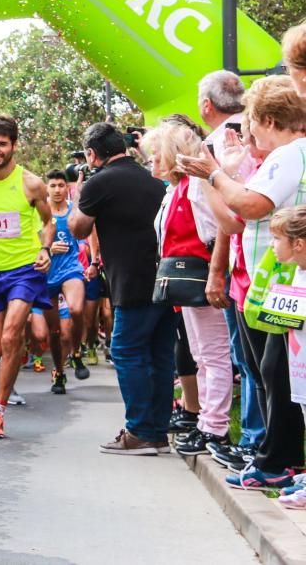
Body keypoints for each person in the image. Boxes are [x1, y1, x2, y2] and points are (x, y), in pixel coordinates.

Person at [176, 75, 306, 489]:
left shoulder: (289, 155)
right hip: (271, 281)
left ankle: (278, 460)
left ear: (267, 118)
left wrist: (214, 174)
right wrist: (218, 176)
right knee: (270, 370)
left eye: (250, 120)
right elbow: (233, 217)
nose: (246, 129)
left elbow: (248, 206)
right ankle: (277, 458)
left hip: (283, 281)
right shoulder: (285, 156)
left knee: (279, 373)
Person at [69, 122, 175, 455]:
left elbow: (78, 227)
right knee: (160, 357)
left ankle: (139, 431)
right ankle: (158, 431)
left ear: (91, 154)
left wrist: (80, 193)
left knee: (128, 352)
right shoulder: (152, 178)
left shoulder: (100, 181)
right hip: (166, 279)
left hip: (131, 280)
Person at [141, 121, 232, 455]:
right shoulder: (177, 189)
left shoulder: (195, 187)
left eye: (156, 154)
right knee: (202, 355)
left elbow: (219, 228)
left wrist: (215, 273)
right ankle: (208, 421)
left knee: (213, 354)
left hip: (202, 279)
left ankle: (215, 427)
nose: (151, 161)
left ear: (172, 155)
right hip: (187, 283)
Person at [0, 114, 54, 438]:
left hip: (24, 269)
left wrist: (45, 250)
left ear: (14, 146)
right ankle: (12, 351)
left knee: (8, 338)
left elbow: (48, 223)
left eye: (2, 144)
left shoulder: (31, 183)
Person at [268, 206, 306, 508]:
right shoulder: (297, 272)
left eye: (276, 239)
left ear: (298, 244)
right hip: (299, 368)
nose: (271, 246)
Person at [45, 170, 89, 388]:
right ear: (47, 188)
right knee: (55, 332)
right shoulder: (40, 210)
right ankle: (59, 372)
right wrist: (47, 247)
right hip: (46, 274)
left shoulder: (73, 209)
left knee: (76, 310)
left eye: (61, 185)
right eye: (52, 186)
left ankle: (77, 350)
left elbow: (85, 229)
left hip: (71, 268)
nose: (57, 190)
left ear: (66, 188)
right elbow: (29, 241)